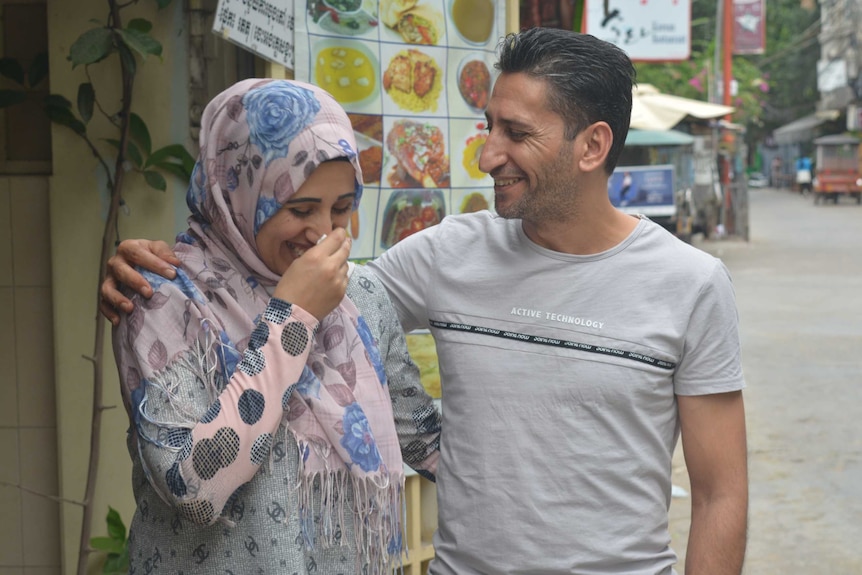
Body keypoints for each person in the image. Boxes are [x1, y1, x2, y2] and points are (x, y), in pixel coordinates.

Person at [101, 29, 748, 574]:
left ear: (593, 146)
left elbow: (719, 492)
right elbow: (196, 479)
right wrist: (239, 299)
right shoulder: (442, 256)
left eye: (515, 133)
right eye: (299, 206)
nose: (488, 152)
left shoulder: (691, 282)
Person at [109, 78, 440, 575]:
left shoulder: (361, 298)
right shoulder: (161, 302)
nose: (325, 232)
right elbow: (195, 491)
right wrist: (291, 318)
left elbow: (428, 443)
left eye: (342, 208)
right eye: (300, 209)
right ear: (236, 192)